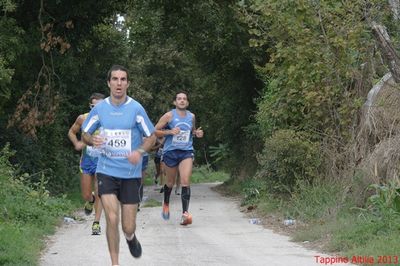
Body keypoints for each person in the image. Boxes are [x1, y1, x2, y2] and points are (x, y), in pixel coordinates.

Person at [81, 65, 156, 265]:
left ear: (128, 84)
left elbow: (151, 136)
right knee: (112, 218)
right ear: (109, 83)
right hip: (106, 170)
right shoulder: (100, 108)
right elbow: (85, 133)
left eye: (123, 79)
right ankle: (115, 263)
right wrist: (92, 141)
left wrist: (139, 152)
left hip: (130, 174)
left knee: (128, 227)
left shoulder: (136, 108)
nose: (119, 83)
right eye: (115, 79)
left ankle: (131, 238)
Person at [155, 91, 204, 225]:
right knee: (170, 183)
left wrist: (196, 133)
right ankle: (166, 203)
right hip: (171, 152)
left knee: (185, 181)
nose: (182, 101)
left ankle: (185, 214)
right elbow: (154, 131)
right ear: (175, 102)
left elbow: (191, 131)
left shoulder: (191, 116)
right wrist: (170, 132)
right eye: (179, 99)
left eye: (184, 99)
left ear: (187, 102)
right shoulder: (169, 116)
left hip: (186, 152)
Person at [68, 92, 105, 235]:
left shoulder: (110, 119)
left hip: (102, 161)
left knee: (100, 190)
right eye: (93, 106)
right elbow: (71, 132)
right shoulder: (82, 118)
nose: (96, 108)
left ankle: (96, 223)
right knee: (86, 194)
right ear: (90, 106)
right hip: (87, 161)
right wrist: (76, 142)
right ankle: (90, 200)